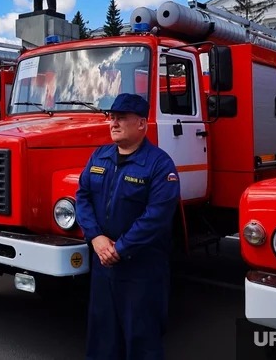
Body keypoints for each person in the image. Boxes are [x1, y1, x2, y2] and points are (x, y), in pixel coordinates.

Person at [75, 93, 181, 360]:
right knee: (102, 337)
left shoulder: (159, 164)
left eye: (122, 118)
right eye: (112, 117)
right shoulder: (100, 156)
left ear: (142, 124)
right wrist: (96, 237)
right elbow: (82, 197)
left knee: (141, 338)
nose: (114, 123)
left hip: (141, 269)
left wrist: (120, 249)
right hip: (103, 265)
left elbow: (156, 216)